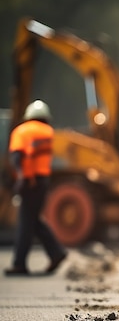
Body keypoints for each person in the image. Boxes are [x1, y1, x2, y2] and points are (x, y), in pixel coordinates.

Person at [4, 100, 67, 275]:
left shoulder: (21, 131)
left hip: (29, 180)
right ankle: (56, 253)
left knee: (26, 222)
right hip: (43, 181)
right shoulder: (48, 132)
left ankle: (20, 264)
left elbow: (18, 157)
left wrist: (24, 178)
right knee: (33, 220)